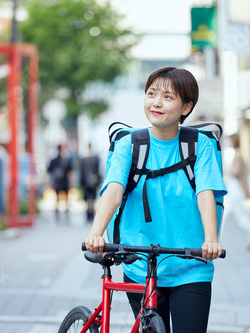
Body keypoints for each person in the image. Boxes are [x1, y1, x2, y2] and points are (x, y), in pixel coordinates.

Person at [85, 67, 227, 332]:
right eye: (151, 94)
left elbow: (205, 192)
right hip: (139, 264)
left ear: (186, 107)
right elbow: (113, 190)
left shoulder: (200, 145)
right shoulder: (129, 144)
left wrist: (211, 240)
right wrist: (97, 233)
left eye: (167, 97)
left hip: (191, 266)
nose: (156, 103)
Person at [224, 134, 250, 250]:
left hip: (235, 190)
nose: (228, 142)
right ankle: (213, 240)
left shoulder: (238, 155)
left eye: (230, 140)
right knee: (223, 214)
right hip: (233, 189)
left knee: (241, 217)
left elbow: (237, 172)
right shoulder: (236, 154)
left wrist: (226, 169)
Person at [47, 143, 72, 223]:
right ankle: (66, 216)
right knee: (66, 199)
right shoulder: (66, 160)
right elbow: (69, 173)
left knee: (57, 199)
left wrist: (51, 182)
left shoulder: (54, 160)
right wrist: (70, 182)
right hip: (64, 182)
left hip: (57, 183)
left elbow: (49, 172)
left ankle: (57, 216)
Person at [80, 144, 101, 223]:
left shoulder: (84, 159)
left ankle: (88, 215)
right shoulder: (96, 159)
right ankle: (91, 215)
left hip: (86, 182)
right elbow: (98, 171)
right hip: (94, 182)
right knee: (92, 199)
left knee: (88, 200)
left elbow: (82, 172)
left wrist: (81, 183)